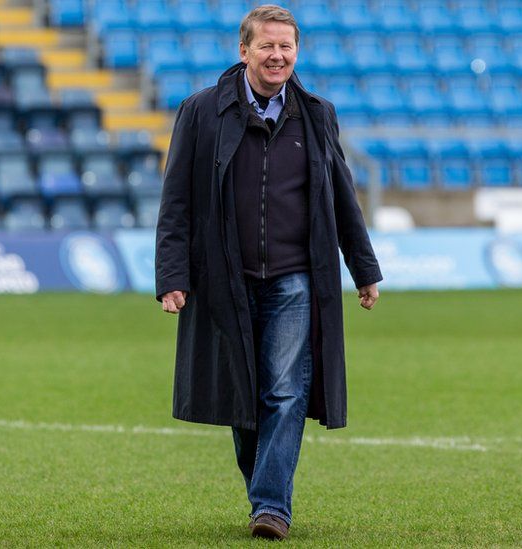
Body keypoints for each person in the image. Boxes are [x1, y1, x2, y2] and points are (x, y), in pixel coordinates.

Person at [155, 4, 381, 541]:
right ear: (245, 50)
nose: (277, 56)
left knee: (284, 390)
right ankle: (265, 485)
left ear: (296, 51)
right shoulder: (200, 111)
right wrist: (172, 275)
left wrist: (363, 268)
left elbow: (343, 196)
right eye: (267, 46)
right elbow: (176, 202)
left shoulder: (317, 114)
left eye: (287, 47)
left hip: (295, 276)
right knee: (242, 393)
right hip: (223, 277)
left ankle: (271, 506)